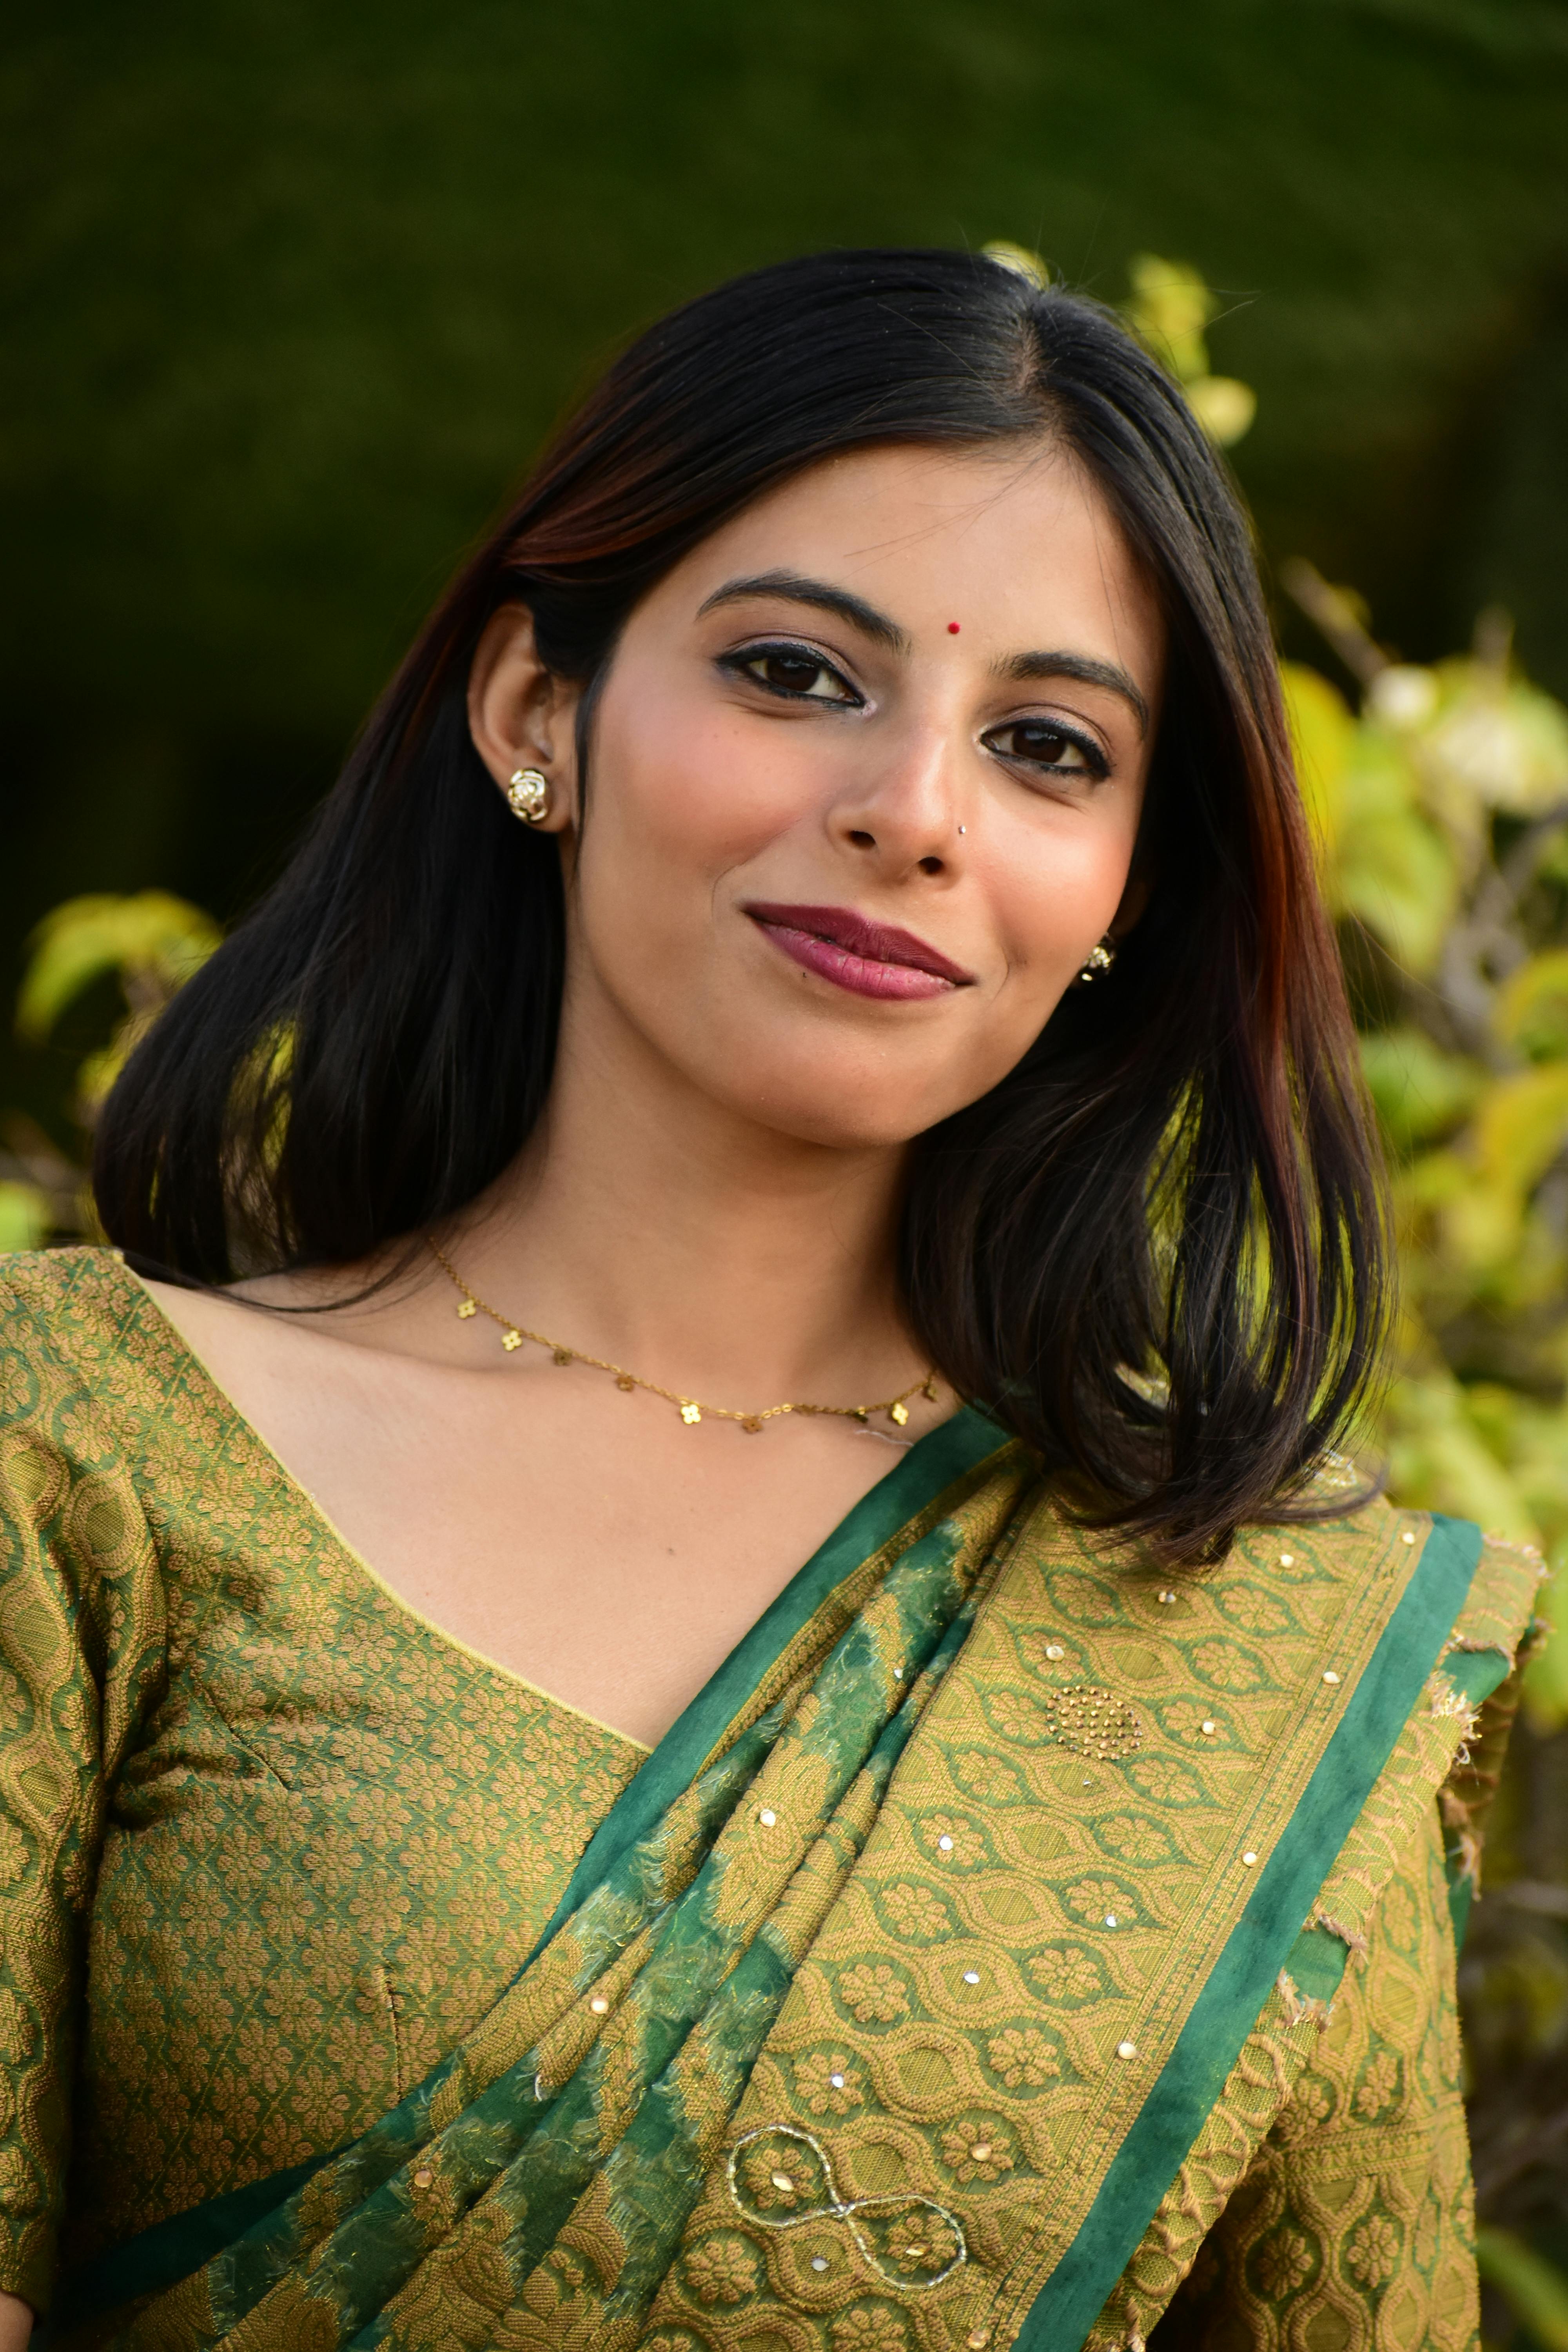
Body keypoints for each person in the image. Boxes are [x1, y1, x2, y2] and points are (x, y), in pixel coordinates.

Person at [0, 249, 1537, 2352]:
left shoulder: (1258, 1645)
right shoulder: (85, 1457)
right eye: (800, 675)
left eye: (1047, 747)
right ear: (537, 708)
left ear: (1131, 890)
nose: (913, 812)